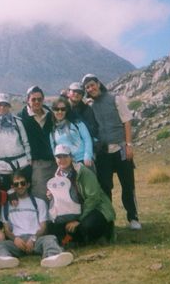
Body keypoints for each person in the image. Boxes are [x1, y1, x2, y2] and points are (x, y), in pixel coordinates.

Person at [82, 73, 141, 230]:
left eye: (92, 84)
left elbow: (127, 121)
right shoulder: (90, 106)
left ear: (98, 83)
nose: (91, 88)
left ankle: (133, 218)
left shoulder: (116, 98)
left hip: (121, 148)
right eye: (87, 87)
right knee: (105, 187)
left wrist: (129, 145)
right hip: (103, 153)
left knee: (128, 185)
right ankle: (109, 222)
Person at [0, 171, 73, 269]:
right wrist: (15, 239)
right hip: (17, 241)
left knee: (50, 238)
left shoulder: (39, 202)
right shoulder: (5, 206)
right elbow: (7, 229)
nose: (20, 186)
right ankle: (5, 259)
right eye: (16, 184)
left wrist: (33, 239)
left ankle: (52, 257)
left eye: (22, 183)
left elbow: (44, 227)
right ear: (12, 187)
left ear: (27, 185)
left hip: (36, 239)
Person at [46, 144, 115, 247]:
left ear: (71, 157)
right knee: (53, 226)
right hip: (75, 211)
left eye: (65, 156)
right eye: (59, 157)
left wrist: (78, 220)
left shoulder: (83, 172)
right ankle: (73, 241)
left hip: (95, 208)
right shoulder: (57, 177)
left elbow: (93, 198)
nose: (62, 159)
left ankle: (104, 233)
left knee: (87, 225)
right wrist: (53, 196)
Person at [0, 93, 32, 191]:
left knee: (24, 196)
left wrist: (29, 159)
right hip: (0, 169)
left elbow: (25, 142)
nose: (2, 108)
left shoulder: (17, 122)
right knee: (5, 200)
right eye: (0, 104)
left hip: (21, 166)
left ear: (9, 107)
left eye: (5, 105)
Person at [18, 86, 56, 202]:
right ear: (27, 100)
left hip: (55, 162)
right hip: (37, 164)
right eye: (33, 99)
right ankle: (44, 220)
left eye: (39, 99)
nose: (37, 102)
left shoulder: (51, 115)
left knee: (56, 194)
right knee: (40, 196)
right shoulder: (20, 117)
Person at [50, 96, 94, 168]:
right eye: (56, 109)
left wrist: (88, 156)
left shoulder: (77, 123)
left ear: (67, 110)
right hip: (68, 165)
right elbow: (54, 150)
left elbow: (87, 139)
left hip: (84, 161)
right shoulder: (53, 130)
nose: (60, 112)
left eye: (63, 109)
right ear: (53, 111)